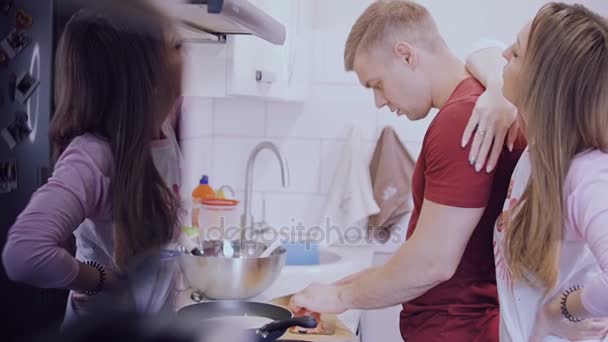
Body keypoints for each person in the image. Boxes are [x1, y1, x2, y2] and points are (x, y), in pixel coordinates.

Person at [289, 1, 525, 341]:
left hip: (457, 330)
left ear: (406, 55)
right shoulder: (473, 104)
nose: (379, 102)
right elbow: (446, 247)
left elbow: (434, 262)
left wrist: (340, 298)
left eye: (377, 84)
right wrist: (367, 280)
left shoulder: (462, 119)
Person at [2, 0, 184, 326]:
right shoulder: (93, 157)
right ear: (143, 73)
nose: (184, 55)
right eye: (175, 45)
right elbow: (23, 253)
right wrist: (101, 280)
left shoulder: (162, 133)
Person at [467, 3, 608, 341]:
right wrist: (492, 91)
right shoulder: (538, 153)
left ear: (543, 80)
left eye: (515, 53)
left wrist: (559, 310)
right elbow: (477, 48)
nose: (503, 54)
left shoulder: (586, 174)